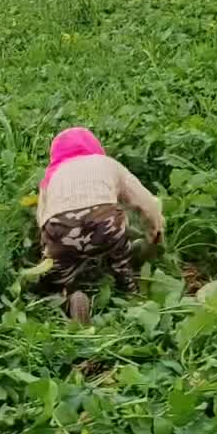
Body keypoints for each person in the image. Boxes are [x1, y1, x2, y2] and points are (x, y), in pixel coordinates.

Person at [35, 127, 165, 323]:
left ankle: (67, 297)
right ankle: (130, 294)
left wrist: (48, 252)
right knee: (120, 256)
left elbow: (42, 217)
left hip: (59, 227)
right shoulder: (108, 164)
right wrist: (154, 230)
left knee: (53, 279)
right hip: (105, 221)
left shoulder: (51, 175)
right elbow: (145, 202)